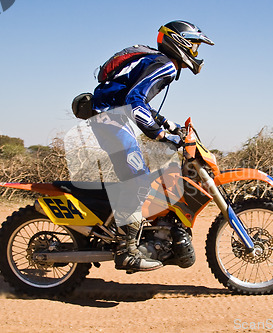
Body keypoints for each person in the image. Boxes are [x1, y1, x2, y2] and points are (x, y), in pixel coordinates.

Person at [90, 20, 214, 272]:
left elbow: (137, 100)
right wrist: (160, 135)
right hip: (112, 120)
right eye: (194, 46)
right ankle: (127, 251)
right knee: (137, 179)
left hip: (109, 117)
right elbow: (134, 101)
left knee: (136, 176)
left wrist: (167, 124)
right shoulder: (165, 65)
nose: (195, 53)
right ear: (180, 42)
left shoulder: (157, 61)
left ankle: (123, 232)